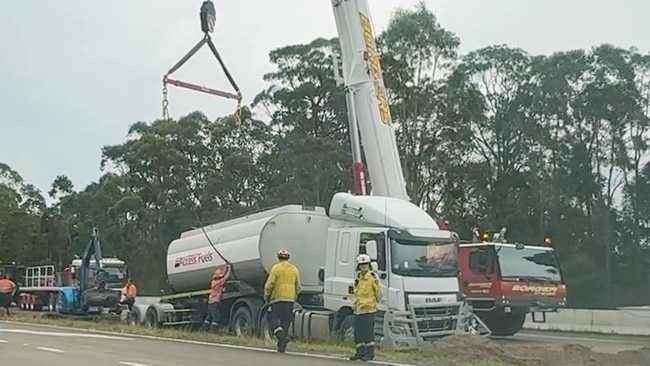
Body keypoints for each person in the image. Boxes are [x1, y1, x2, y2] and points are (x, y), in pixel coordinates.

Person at [264, 248, 300, 353]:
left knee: (271, 318)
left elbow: (269, 284)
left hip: (277, 299)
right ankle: (281, 347)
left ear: (278, 257)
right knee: (285, 321)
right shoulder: (294, 269)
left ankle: (282, 337)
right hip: (290, 300)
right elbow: (298, 286)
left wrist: (267, 296)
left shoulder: (276, 268)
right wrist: (294, 297)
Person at [349, 254, 382, 361]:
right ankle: (359, 353)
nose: (363, 266)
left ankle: (369, 354)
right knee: (358, 333)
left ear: (369, 265)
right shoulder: (358, 278)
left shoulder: (373, 277)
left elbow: (379, 293)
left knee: (368, 333)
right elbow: (355, 293)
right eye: (361, 264)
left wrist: (373, 303)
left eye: (365, 264)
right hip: (358, 310)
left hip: (369, 309)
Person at [202, 265, 231, 332]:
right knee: (216, 318)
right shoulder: (219, 282)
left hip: (210, 301)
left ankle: (204, 329)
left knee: (209, 317)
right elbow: (226, 277)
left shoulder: (213, 282)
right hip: (215, 302)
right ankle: (213, 330)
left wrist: (225, 268)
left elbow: (222, 275)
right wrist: (229, 269)